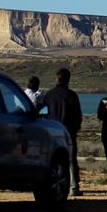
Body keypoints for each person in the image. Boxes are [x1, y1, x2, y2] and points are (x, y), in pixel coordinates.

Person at [42, 68, 83, 196]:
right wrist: (75, 128)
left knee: (51, 159)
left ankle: (51, 184)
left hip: (52, 132)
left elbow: (43, 113)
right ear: (68, 79)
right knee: (70, 159)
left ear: (57, 78)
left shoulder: (49, 95)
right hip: (68, 132)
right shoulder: (72, 95)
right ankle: (73, 186)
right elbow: (78, 115)